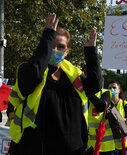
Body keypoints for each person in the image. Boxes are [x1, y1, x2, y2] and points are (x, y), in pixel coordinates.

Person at [8, 13, 102, 154]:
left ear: (67, 52)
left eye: (60, 47)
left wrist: (91, 53)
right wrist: (47, 35)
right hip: (35, 148)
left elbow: (95, 86)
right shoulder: (27, 69)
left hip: (73, 149)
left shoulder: (74, 75)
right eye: (52, 44)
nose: (55, 50)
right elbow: (34, 76)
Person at [107, 80, 127, 155]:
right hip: (110, 144)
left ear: (119, 90)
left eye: (114, 87)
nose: (112, 89)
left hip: (124, 144)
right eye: (109, 88)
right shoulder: (105, 105)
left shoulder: (126, 104)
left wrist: (126, 120)